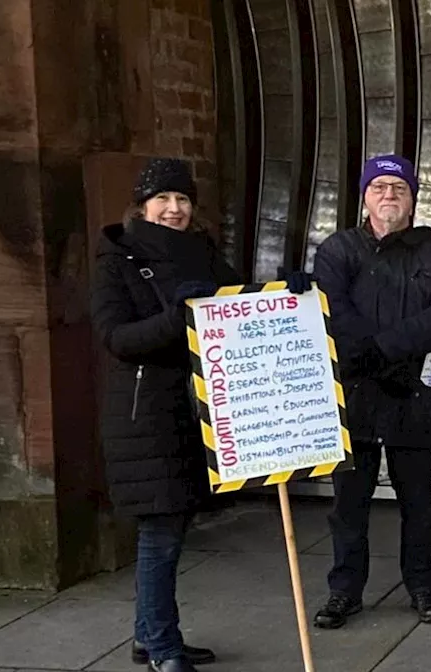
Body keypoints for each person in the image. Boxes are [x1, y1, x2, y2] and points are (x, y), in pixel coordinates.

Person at [91, 158, 311, 671]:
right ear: (142, 205)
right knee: (161, 533)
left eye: (183, 199)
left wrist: (286, 293)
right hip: (147, 416)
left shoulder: (202, 253)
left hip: (199, 412)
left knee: (174, 526)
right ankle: (163, 648)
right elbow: (116, 338)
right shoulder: (116, 258)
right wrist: (174, 318)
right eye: (164, 198)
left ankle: (150, 636)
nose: (174, 209)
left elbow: (242, 308)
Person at [311, 154, 431, 629]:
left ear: (413, 199)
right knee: (348, 505)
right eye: (379, 188)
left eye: (398, 189)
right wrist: (383, 360)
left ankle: (423, 587)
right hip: (356, 397)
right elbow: (335, 314)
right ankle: (344, 592)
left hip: (415, 398)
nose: (389, 197)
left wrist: (381, 350)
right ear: (364, 197)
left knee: (419, 502)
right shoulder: (338, 251)